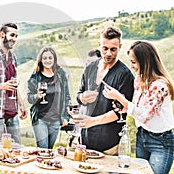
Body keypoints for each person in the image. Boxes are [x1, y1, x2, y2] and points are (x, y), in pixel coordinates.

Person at [103, 41, 174, 174]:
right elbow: (139, 109)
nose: (131, 66)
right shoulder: (139, 79)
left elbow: (144, 115)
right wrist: (125, 108)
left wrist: (120, 98)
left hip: (161, 142)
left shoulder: (160, 86)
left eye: (134, 62)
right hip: (142, 136)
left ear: (145, 61)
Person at [73, 26, 134, 155]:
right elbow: (78, 95)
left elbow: (121, 113)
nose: (108, 53)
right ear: (99, 44)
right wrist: (82, 97)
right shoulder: (89, 68)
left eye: (113, 49)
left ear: (120, 47)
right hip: (84, 142)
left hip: (109, 146)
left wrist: (92, 121)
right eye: (105, 48)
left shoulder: (125, 75)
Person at [0, 22, 28, 144]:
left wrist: (21, 104)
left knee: (17, 147)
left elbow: (14, 85)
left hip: (12, 112)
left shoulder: (13, 58)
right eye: (12, 35)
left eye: (16, 36)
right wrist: (3, 86)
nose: (14, 39)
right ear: (2, 35)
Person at [27, 46, 71, 149]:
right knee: (43, 150)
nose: (47, 61)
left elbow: (67, 97)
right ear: (41, 60)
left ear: (54, 59)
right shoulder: (35, 76)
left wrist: (66, 117)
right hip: (40, 119)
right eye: (45, 58)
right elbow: (29, 98)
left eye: (50, 58)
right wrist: (37, 96)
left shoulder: (61, 74)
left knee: (50, 150)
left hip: (56, 120)